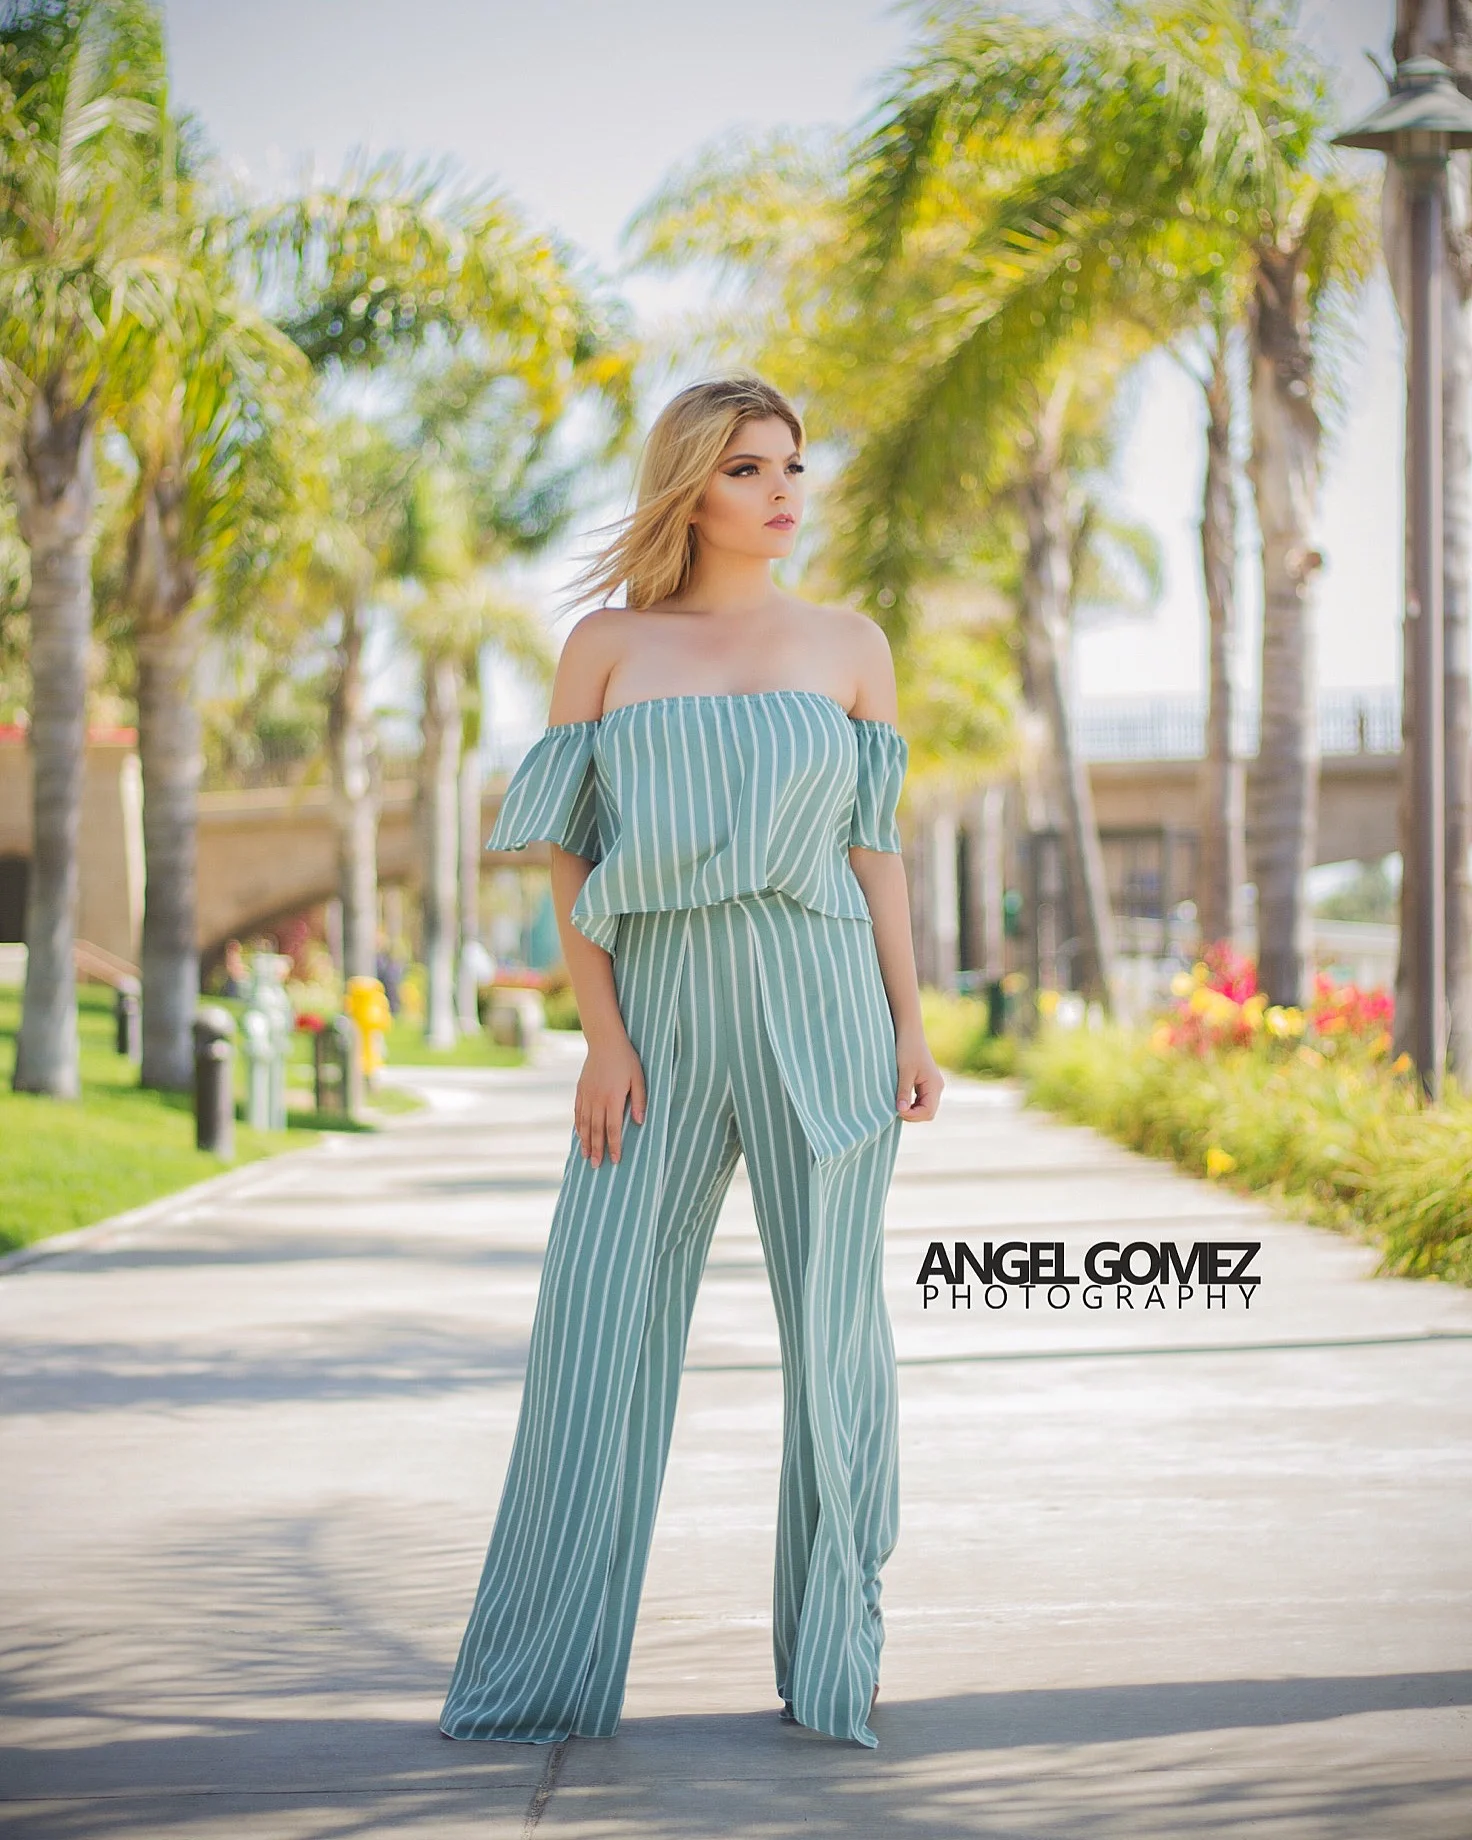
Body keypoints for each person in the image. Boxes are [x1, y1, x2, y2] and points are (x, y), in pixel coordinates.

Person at [440, 375, 943, 1751]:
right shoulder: (606, 647)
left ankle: (833, 1658)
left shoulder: (850, 644)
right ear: (690, 487)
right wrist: (600, 1036)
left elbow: (875, 854)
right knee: (596, 1324)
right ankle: (545, 1670)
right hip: (655, 1015)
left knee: (833, 1335)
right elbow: (570, 856)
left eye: (792, 466)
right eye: (747, 469)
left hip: (824, 1004)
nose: (782, 492)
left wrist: (909, 1025)